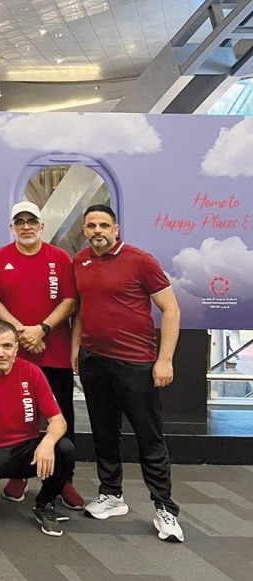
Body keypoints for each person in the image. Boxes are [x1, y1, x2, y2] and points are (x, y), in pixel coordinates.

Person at [72, 204, 184, 542]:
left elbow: (171, 309)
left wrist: (165, 360)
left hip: (135, 363)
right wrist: (76, 349)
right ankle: (111, 494)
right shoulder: (81, 260)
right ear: (85, 229)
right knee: (104, 432)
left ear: (116, 229)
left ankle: (164, 508)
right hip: (94, 360)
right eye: (91, 225)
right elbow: (81, 309)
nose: (97, 231)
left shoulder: (140, 260)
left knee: (149, 437)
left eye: (103, 225)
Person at [0, 201, 82, 509]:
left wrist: (42, 329)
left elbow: (69, 301)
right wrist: (21, 332)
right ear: (12, 227)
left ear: (42, 226)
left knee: (61, 416)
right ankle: (20, 474)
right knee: (20, 417)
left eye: (31, 221)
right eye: (20, 222)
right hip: (14, 354)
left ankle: (64, 480)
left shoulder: (60, 258)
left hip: (54, 352)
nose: (26, 227)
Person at [0, 321, 75, 537]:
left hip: (23, 451)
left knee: (64, 449)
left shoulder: (32, 372)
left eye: (7, 346)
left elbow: (59, 421)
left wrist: (47, 442)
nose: (1, 353)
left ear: (16, 348)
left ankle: (44, 505)